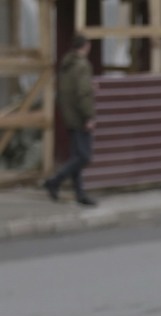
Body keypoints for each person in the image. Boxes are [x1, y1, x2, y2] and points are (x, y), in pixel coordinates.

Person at [42, 34, 97, 207]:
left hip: (69, 115)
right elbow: (82, 94)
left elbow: (71, 89)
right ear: (86, 46)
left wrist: (89, 86)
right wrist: (89, 116)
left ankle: (80, 194)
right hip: (80, 117)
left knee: (76, 155)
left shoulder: (66, 64)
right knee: (84, 156)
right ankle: (54, 181)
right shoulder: (82, 65)